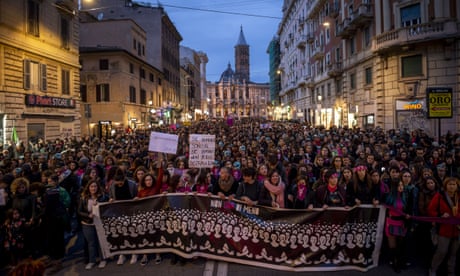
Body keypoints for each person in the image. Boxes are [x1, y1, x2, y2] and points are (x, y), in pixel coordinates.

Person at [427, 177, 460, 276]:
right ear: (445, 186)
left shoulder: (459, 196)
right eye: (450, 184)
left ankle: (451, 271)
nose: (452, 186)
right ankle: (433, 269)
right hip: (444, 229)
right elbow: (431, 209)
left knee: (453, 253)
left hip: (457, 229)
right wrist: (440, 216)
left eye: (454, 184)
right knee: (441, 251)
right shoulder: (440, 196)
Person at [77, 179, 109, 270]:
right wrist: (88, 215)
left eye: (95, 186)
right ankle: (92, 261)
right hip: (87, 223)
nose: (93, 188)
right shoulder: (83, 198)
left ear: (98, 187)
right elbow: (79, 211)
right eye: (91, 186)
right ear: (88, 188)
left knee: (100, 242)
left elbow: (107, 207)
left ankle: (103, 259)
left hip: (99, 223)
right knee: (91, 243)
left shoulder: (103, 196)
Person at [109, 169, 138, 266]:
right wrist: (111, 199)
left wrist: (136, 198)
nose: (119, 185)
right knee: (121, 233)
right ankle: (123, 253)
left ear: (124, 179)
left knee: (132, 232)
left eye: (120, 183)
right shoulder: (112, 186)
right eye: (117, 183)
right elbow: (110, 196)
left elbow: (137, 195)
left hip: (131, 211)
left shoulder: (132, 184)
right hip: (118, 212)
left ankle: (134, 253)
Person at [135, 170, 162, 266]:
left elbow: (160, 175)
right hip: (144, 217)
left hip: (155, 217)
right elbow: (137, 202)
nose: (148, 181)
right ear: (144, 182)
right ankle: (145, 255)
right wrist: (136, 199)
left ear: (152, 180)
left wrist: (161, 164)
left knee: (155, 235)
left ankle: (158, 254)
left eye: (150, 179)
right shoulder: (141, 191)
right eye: (146, 180)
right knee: (145, 236)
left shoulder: (156, 188)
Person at [384, 179, 412, 273]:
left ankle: (399, 262)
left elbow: (405, 209)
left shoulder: (405, 196)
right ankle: (394, 263)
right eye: (399, 185)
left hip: (401, 223)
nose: (401, 187)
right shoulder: (390, 197)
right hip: (391, 223)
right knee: (393, 246)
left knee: (400, 245)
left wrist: (407, 215)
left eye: (402, 185)